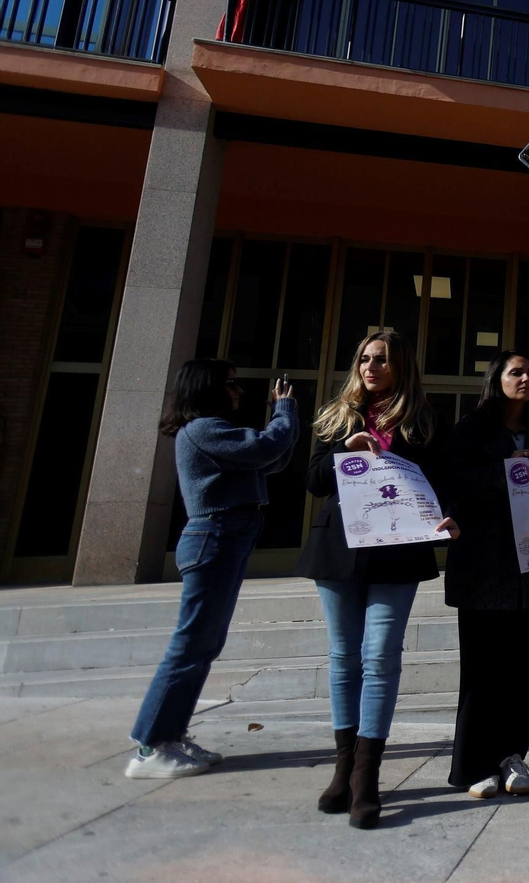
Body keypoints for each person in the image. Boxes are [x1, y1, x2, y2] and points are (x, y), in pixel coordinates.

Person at [296, 331, 458, 828]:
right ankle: (343, 768)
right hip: (338, 547)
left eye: (381, 359)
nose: (371, 366)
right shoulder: (337, 415)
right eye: (364, 358)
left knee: (381, 656)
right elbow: (314, 480)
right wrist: (346, 450)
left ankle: (368, 774)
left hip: (397, 552)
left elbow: (441, 484)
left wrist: (449, 515)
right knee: (343, 657)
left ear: (400, 365)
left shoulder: (424, 421)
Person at [126, 361, 298, 781]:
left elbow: (269, 459)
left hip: (225, 536)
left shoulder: (212, 433)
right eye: (231, 384)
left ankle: (170, 734)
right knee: (191, 644)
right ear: (209, 388)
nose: (238, 391)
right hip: (216, 536)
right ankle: (152, 746)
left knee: (203, 643)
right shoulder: (203, 428)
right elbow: (265, 447)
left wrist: (282, 424)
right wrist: (285, 411)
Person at [444, 350, 529, 797]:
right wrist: (511, 472)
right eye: (516, 372)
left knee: (524, 669)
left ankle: (512, 756)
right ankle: (475, 763)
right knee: (482, 672)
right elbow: (455, 488)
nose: (526, 379)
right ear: (496, 379)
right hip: (484, 569)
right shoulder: (469, 430)